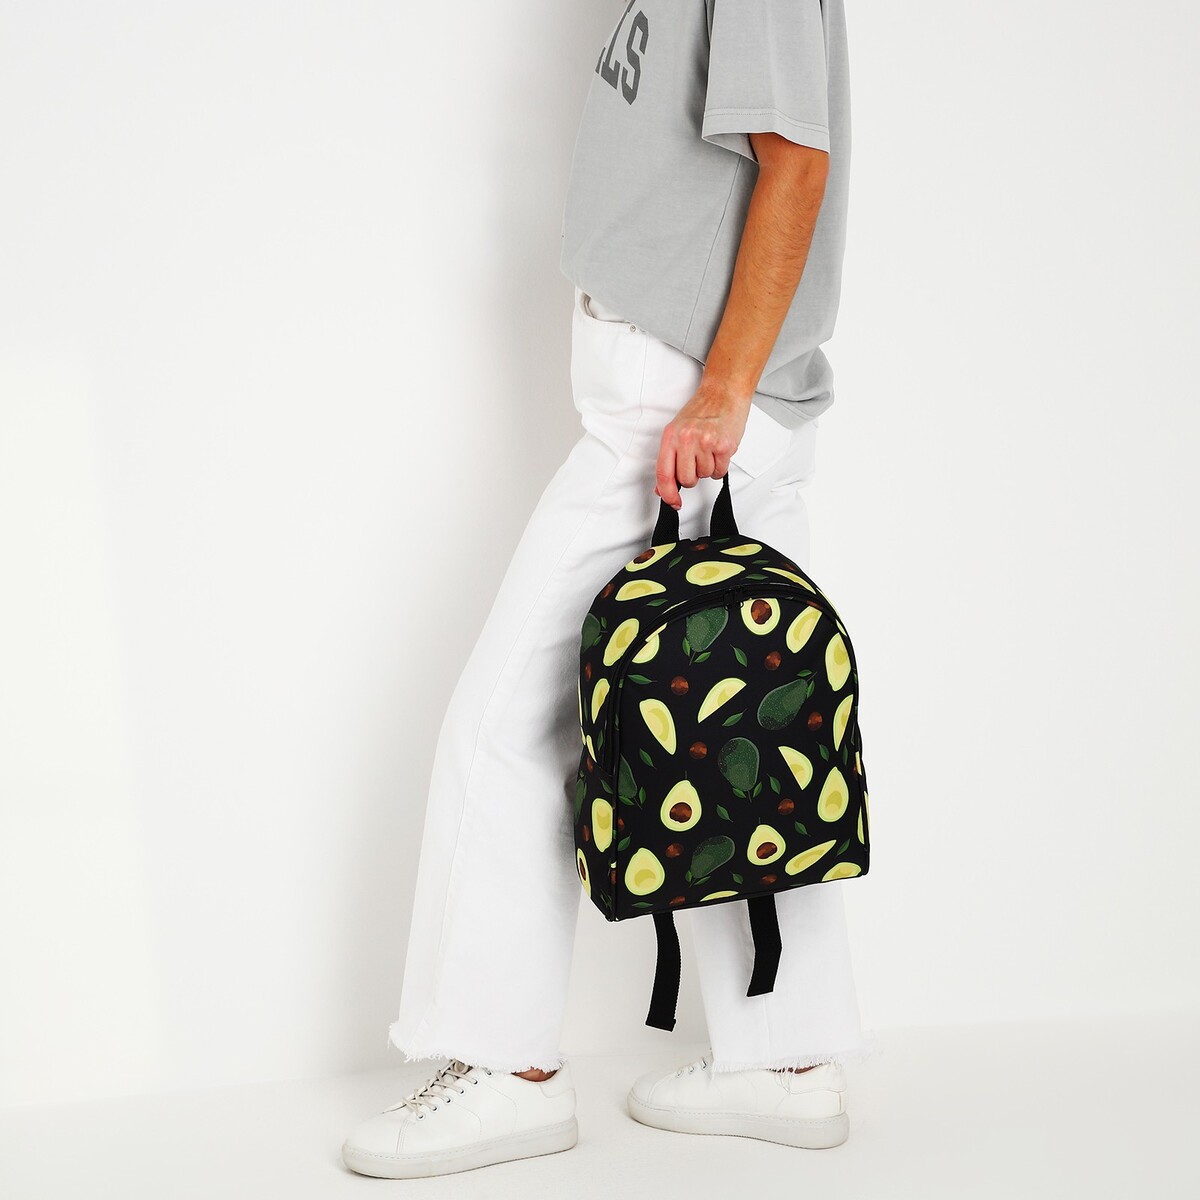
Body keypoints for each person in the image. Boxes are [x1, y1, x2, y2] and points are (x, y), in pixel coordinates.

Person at [342, 0, 870, 1179]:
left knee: (508, 729)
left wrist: (721, 392)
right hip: (700, 395)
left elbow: (795, 163)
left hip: (681, 405)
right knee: (746, 729)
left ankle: (507, 1070)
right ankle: (784, 1060)